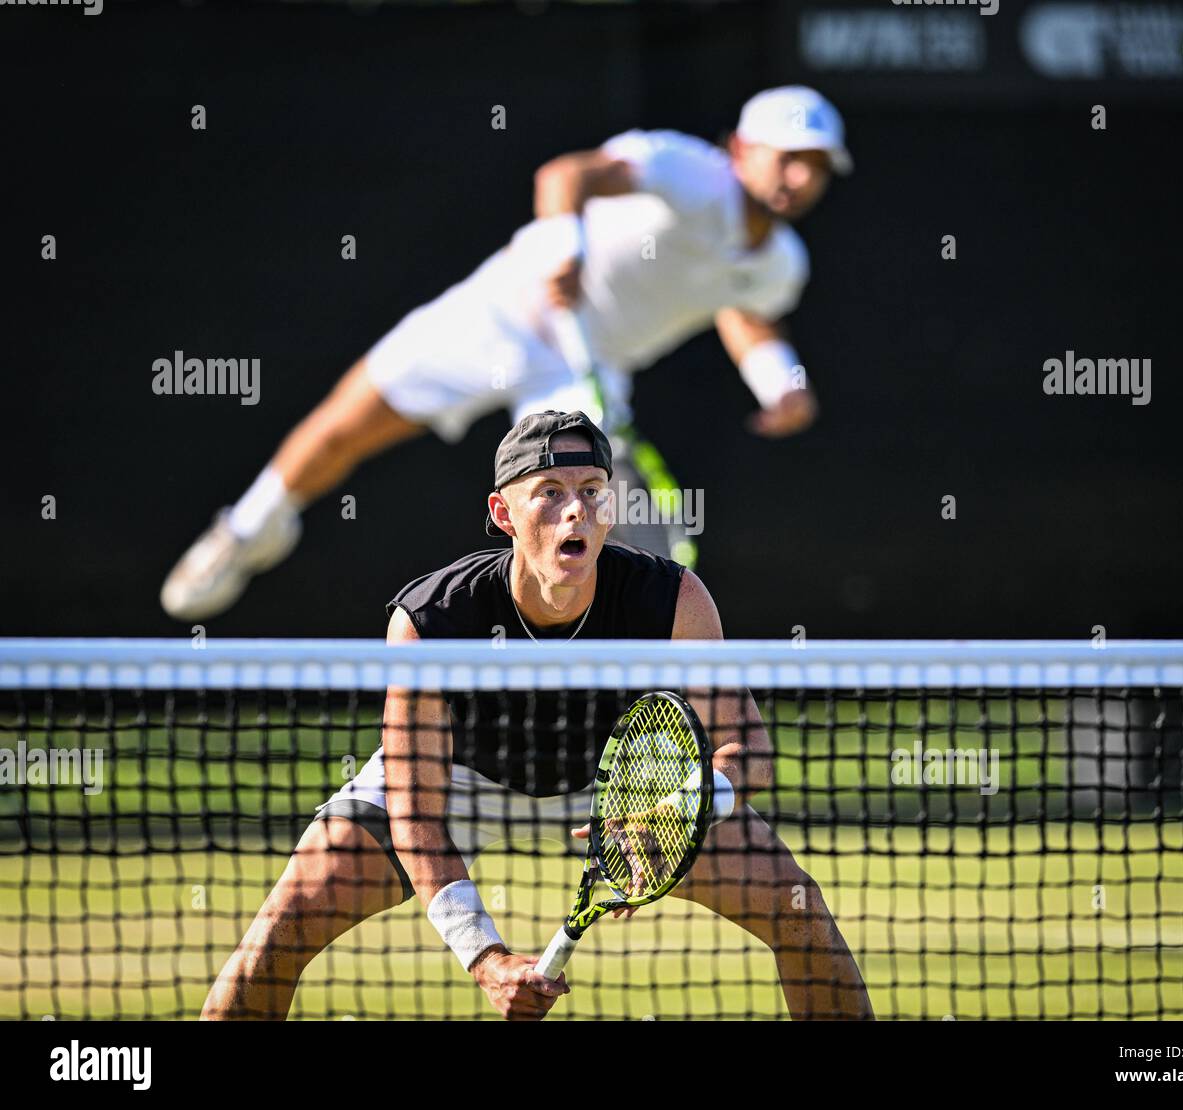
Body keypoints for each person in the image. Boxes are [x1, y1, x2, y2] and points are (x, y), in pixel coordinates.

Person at [200, 411, 872, 1020]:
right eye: (549, 492)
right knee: (281, 930)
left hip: (618, 789)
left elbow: (747, 749)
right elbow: (412, 806)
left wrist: (679, 813)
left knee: (800, 912)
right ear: (503, 512)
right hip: (455, 781)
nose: (574, 512)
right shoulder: (433, 619)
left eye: (590, 492)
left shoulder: (672, 599)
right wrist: (485, 957)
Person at [162, 85, 851, 619]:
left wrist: (778, 379)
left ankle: (559, 683)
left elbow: (747, 312)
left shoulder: (783, 263)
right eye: (786, 157)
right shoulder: (685, 169)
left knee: (568, 534)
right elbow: (566, 175)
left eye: (815, 167)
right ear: (738, 148)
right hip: (501, 313)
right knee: (348, 422)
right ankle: (247, 531)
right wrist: (564, 245)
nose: (799, 177)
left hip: (584, 373)